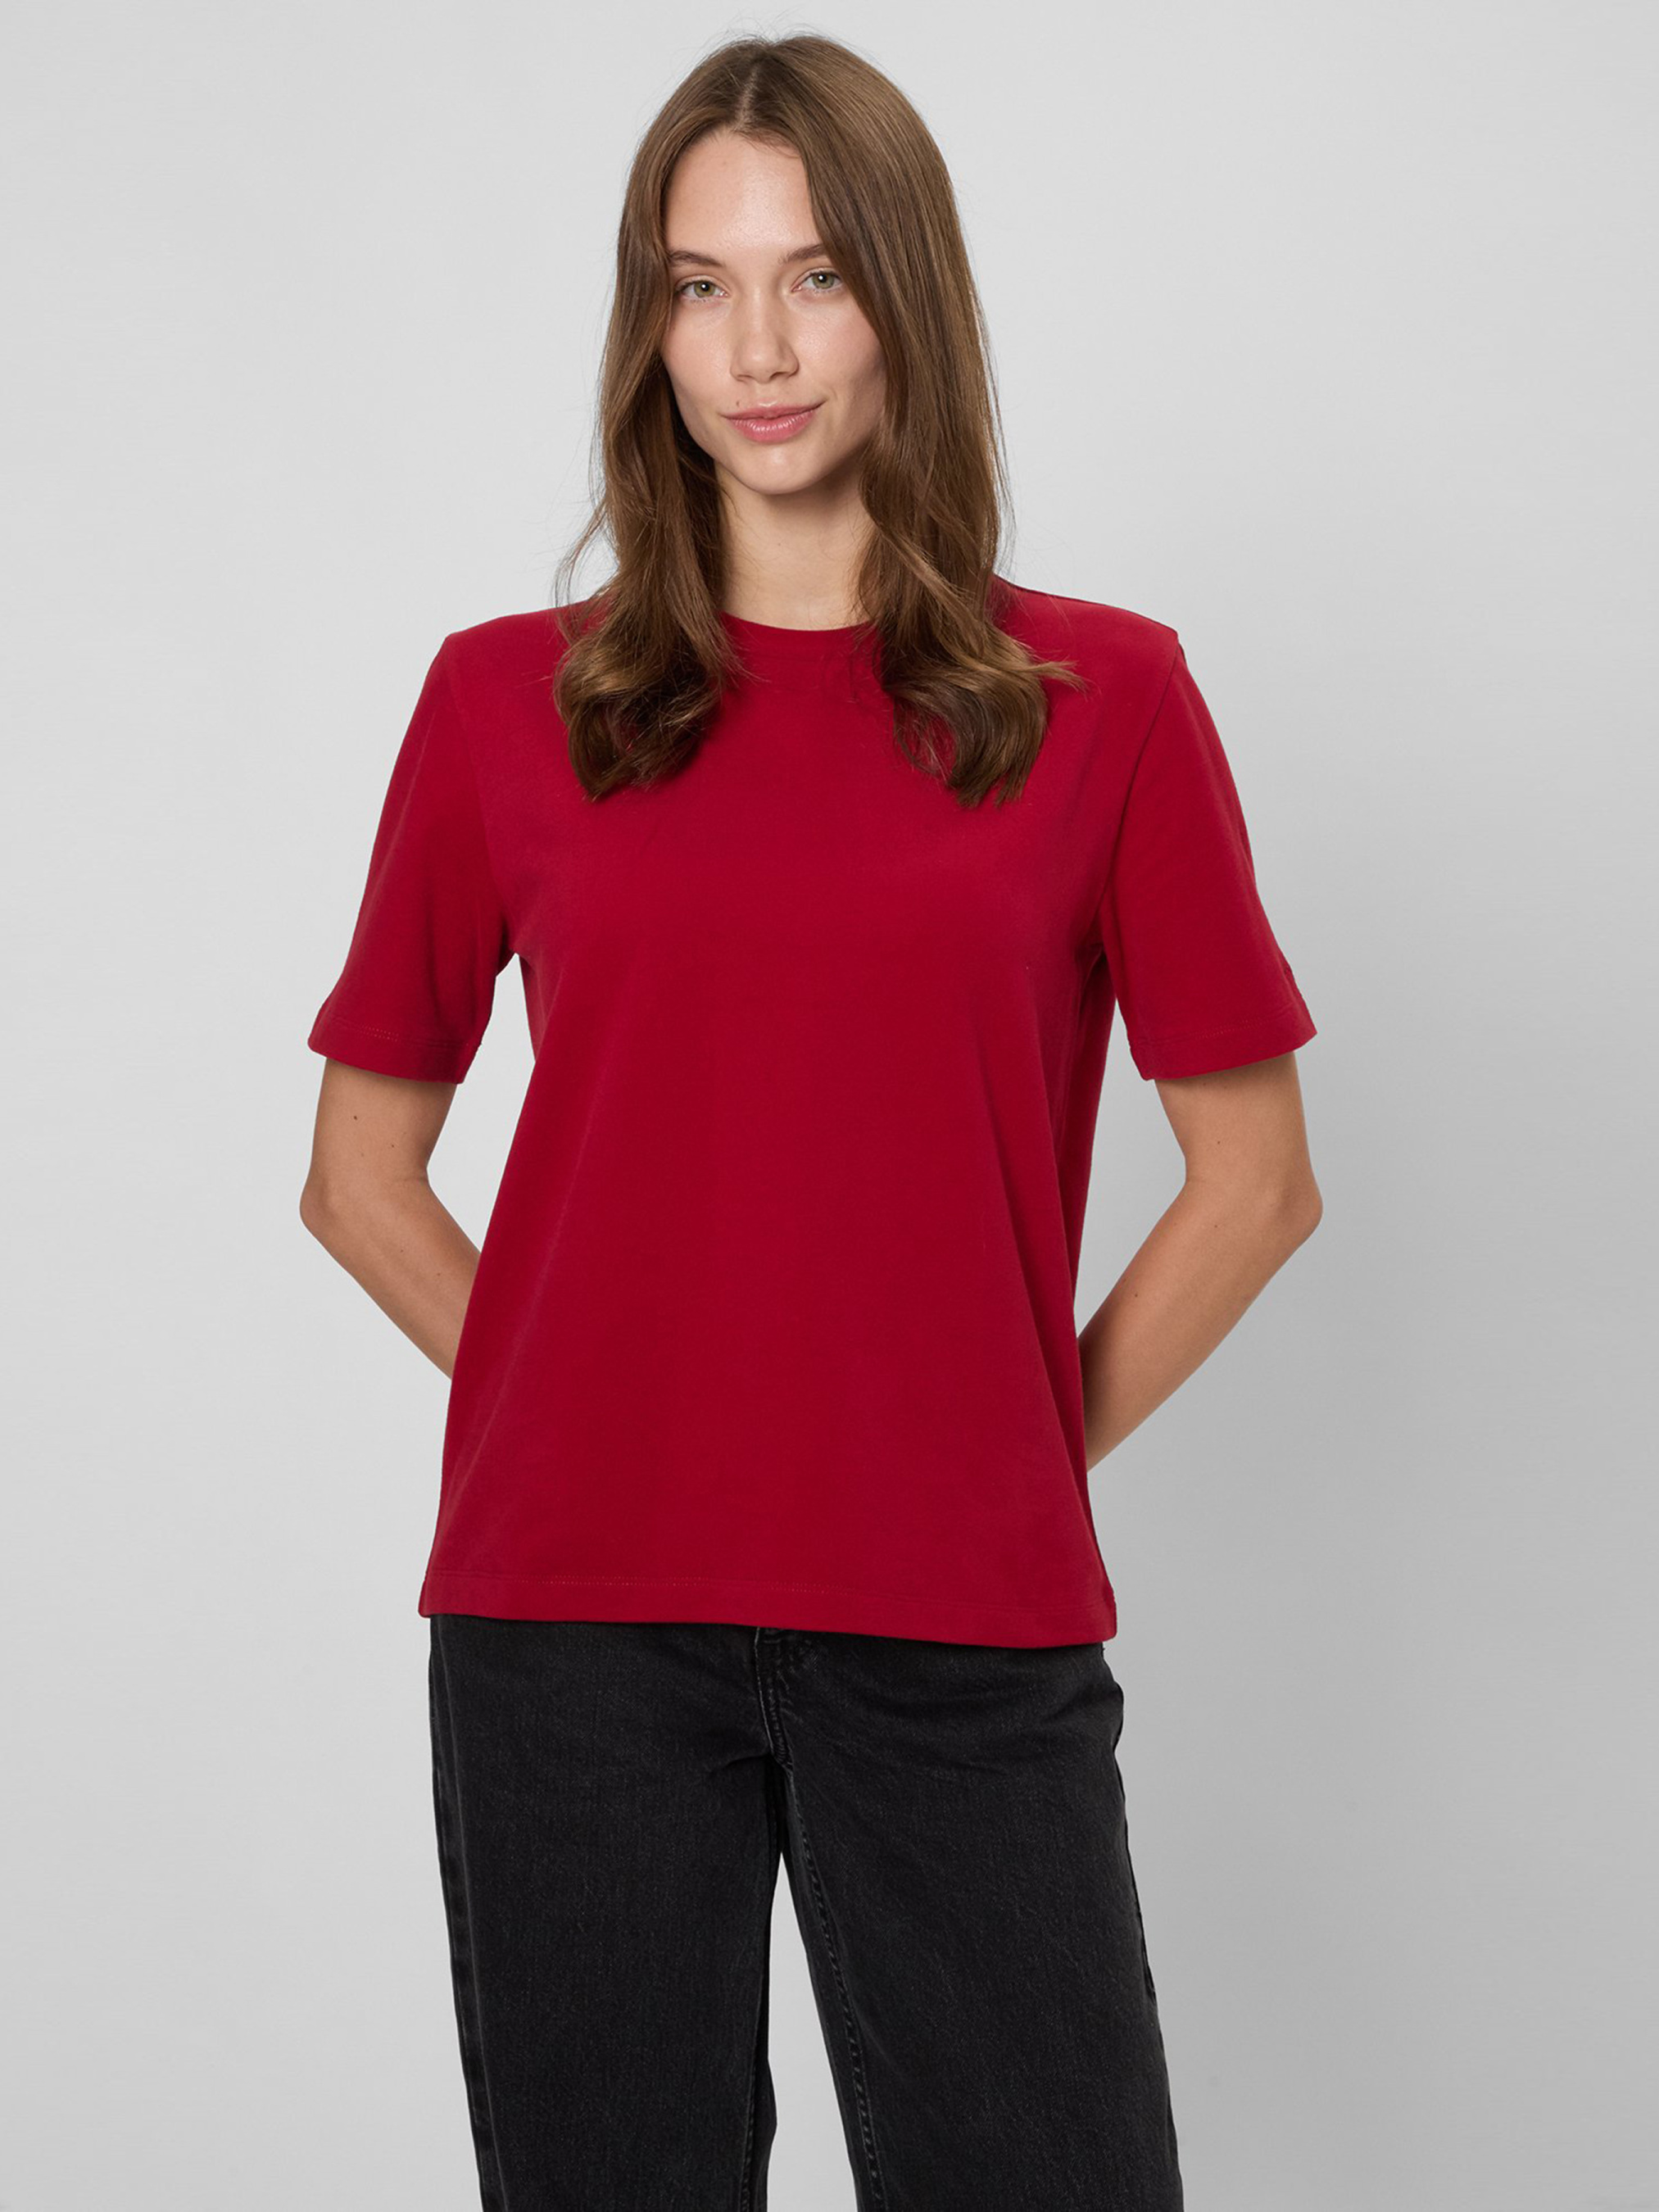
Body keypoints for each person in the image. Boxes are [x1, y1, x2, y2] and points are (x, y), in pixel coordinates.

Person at [299, 32, 1320, 2212]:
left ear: (904, 300)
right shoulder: (500, 704)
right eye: (699, 285)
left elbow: (1256, 1186)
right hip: (568, 1633)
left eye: (815, 277)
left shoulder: (1104, 704)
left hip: (962, 1615)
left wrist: (991, 1441)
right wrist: (609, 1417)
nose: (754, 348)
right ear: (648, 324)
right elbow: (357, 1179)